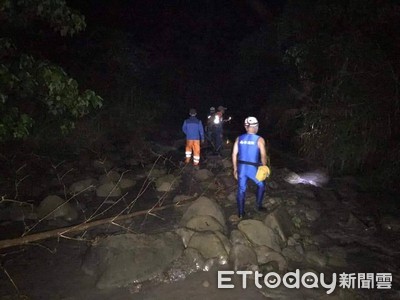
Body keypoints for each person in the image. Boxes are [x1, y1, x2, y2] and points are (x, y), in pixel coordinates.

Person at [232, 116, 268, 218]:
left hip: (241, 168)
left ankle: (240, 213)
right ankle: (258, 205)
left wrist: (235, 169)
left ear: (246, 127)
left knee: (241, 189)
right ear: (256, 126)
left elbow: (234, 154)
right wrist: (264, 167)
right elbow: (263, 156)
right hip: (253, 169)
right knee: (261, 185)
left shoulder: (239, 138)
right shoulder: (260, 139)